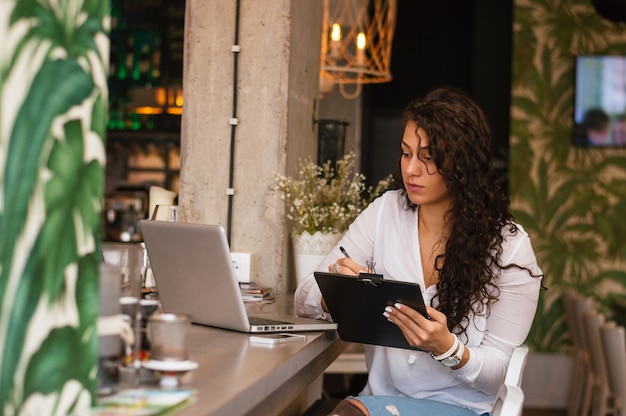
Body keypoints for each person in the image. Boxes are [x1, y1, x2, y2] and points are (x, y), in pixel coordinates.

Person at [295, 86, 543, 416]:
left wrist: (448, 348)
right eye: (406, 153)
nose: (411, 170)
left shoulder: (510, 249)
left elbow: (498, 374)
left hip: (461, 409)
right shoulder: (385, 212)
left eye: (428, 158)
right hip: (375, 402)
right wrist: (343, 292)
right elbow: (305, 297)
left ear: (463, 164)